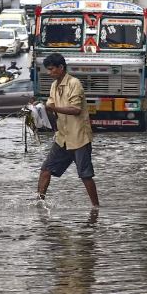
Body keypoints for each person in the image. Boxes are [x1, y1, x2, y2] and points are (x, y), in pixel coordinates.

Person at [37, 53, 99, 207]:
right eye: (48, 70)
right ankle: (39, 203)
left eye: (51, 69)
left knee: (85, 175)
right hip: (62, 137)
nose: (49, 73)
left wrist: (53, 108)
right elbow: (50, 108)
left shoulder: (74, 83)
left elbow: (76, 109)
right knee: (45, 170)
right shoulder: (54, 85)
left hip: (79, 137)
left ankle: (96, 207)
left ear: (61, 68)